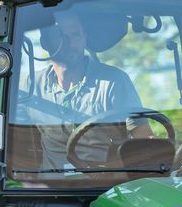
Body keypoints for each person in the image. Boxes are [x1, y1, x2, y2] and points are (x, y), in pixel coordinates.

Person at [31, 10, 153, 170]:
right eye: (62, 37)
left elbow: (143, 137)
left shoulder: (113, 82)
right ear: (45, 42)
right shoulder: (31, 86)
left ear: (85, 38)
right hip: (49, 190)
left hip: (102, 186)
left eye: (75, 35)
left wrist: (161, 156)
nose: (70, 43)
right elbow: (17, 145)